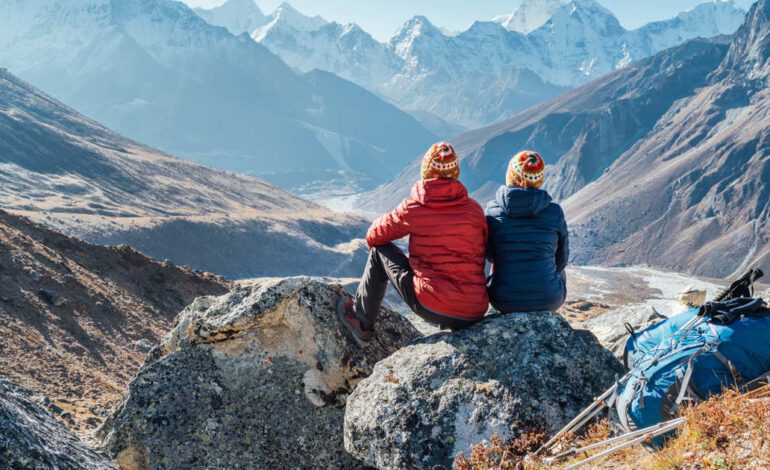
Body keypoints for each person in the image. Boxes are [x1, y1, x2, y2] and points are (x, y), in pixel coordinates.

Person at [337, 142, 489, 346]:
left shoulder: (415, 207)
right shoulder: (474, 210)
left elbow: (375, 236)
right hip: (475, 309)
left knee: (379, 253)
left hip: (433, 305)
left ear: (426, 170)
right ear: (455, 173)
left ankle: (361, 323)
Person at [485, 150, 568, 313]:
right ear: (539, 179)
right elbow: (562, 260)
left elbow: (489, 255)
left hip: (503, 300)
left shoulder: (492, 210)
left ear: (511, 175)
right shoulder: (554, 211)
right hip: (549, 299)